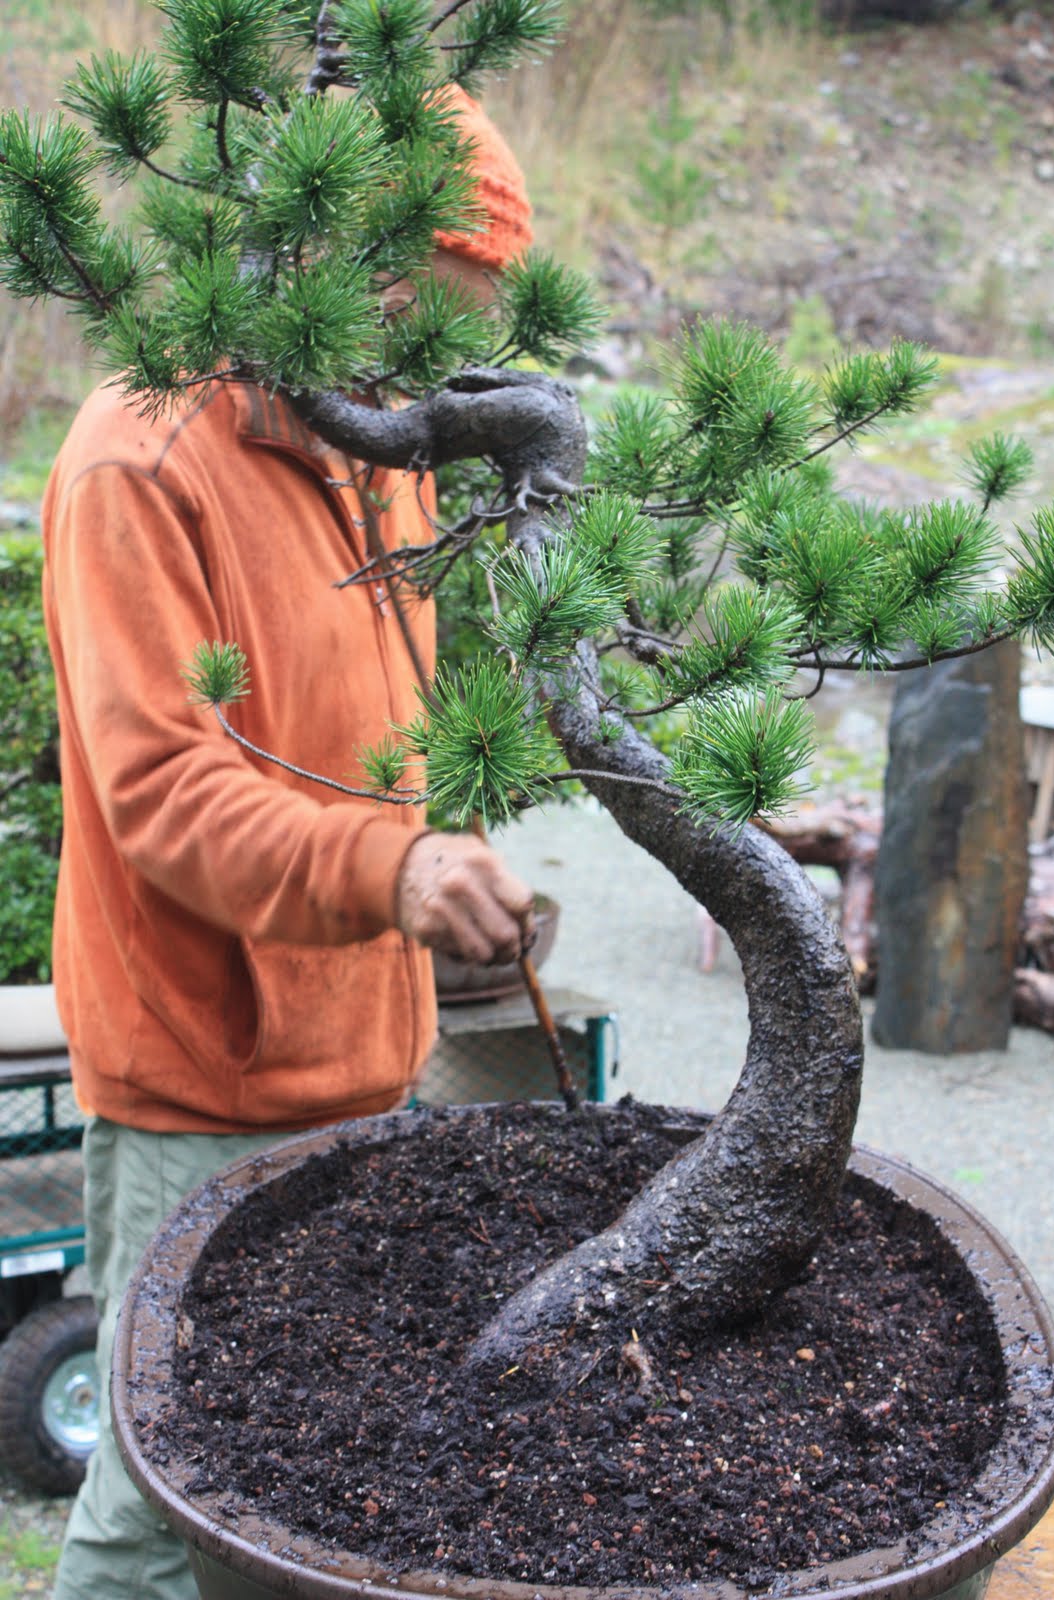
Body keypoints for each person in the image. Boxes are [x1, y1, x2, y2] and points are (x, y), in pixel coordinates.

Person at [42, 89, 534, 1600]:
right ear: (341, 262)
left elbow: (378, 737)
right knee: (161, 1504)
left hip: (359, 1052)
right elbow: (167, 796)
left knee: (312, 1471)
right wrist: (393, 874)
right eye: (421, 321)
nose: (433, 374)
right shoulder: (143, 458)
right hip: (202, 1074)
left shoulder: (378, 444)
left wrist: (450, 861)